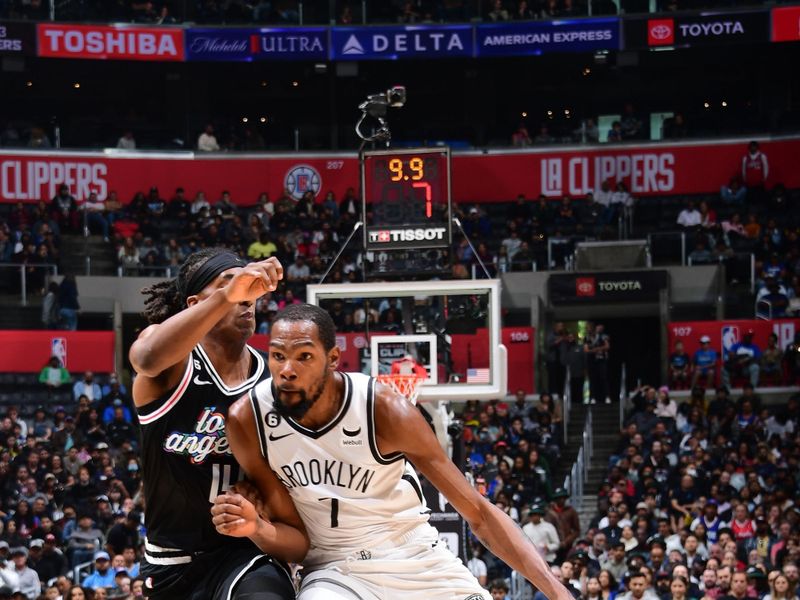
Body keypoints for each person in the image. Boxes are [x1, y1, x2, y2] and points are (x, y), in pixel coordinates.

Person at [212, 303, 573, 600]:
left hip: (417, 557)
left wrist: (557, 592)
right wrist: (258, 527)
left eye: (304, 356)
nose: (287, 371)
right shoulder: (248, 419)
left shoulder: (384, 409)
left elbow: (478, 513)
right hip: (336, 571)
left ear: (334, 358)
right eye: (277, 356)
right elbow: (295, 540)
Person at [129, 249, 306, 600]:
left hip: (243, 551)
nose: (246, 297)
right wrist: (230, 293)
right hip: (171, 562)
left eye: (250, 289)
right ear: (195, 303)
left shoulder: (272, 383)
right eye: (228, 284)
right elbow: (146, 358)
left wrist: (262, 504)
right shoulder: (171, 366)